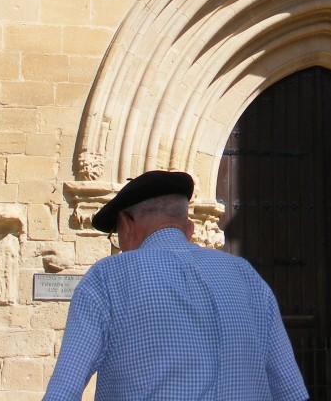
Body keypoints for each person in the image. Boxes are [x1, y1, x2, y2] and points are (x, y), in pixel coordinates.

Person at [43, 170, 309, 401]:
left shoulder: (107, 278)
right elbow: (289, 388)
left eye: (115, 234)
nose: (120, 244)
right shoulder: (245, 275)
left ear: (126, 224)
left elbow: (65, 388)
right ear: (189, 227)